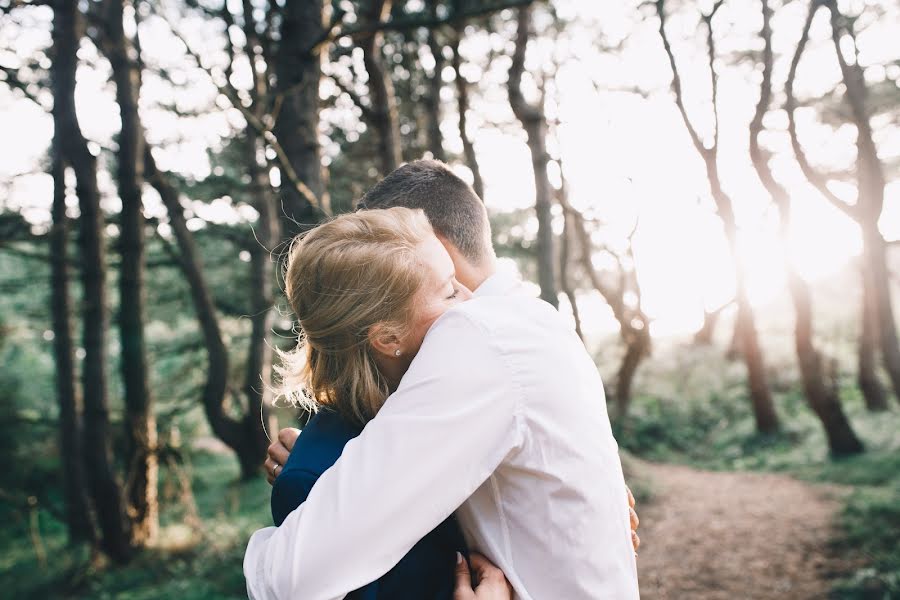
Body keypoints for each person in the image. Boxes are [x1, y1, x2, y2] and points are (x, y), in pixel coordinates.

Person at [245, 160, 641, 599]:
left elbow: (290, 575)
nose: (466, 300)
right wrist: (327, 474)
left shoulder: (479, 335)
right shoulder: (536, 321)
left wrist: (269, 548)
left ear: (438, 246)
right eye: (449, 290)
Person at [267, 207, 506, 599]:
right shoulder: (313, 480)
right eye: (449, 290)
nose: (469, 300)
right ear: (388, 338)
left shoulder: (459, 408)